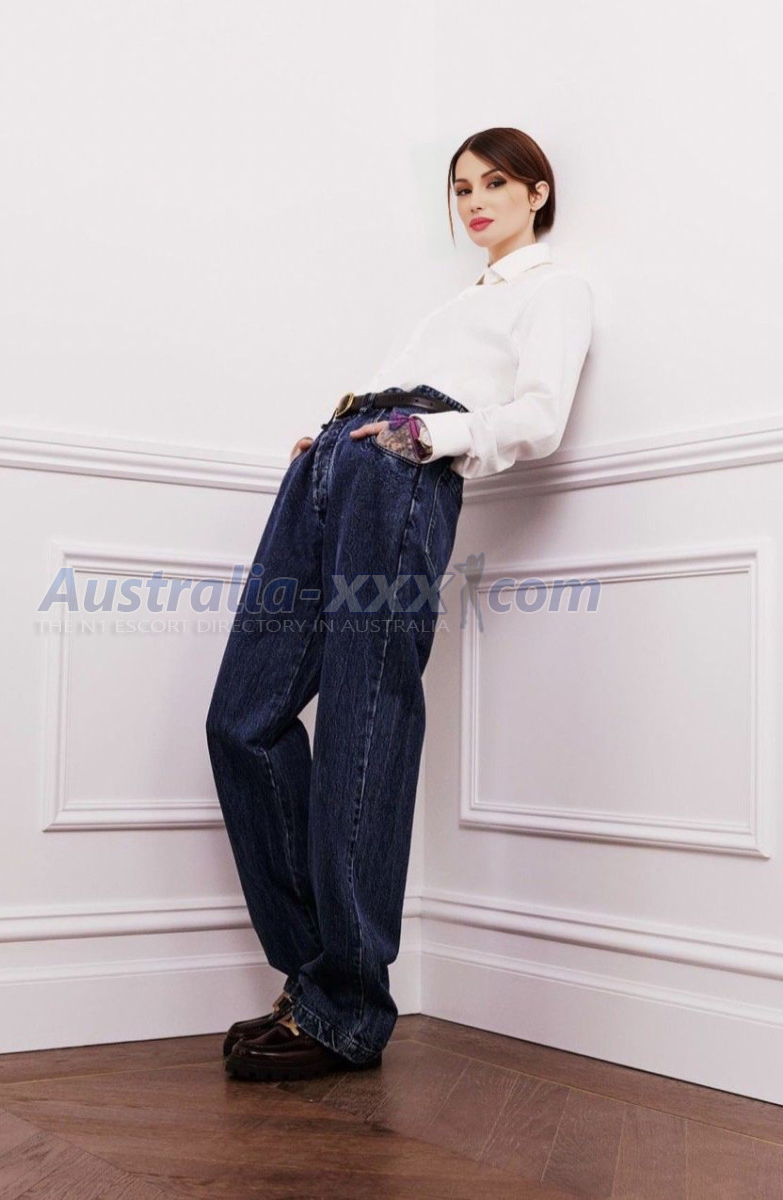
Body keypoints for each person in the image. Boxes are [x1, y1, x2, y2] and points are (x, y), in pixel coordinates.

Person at [205, 127, 594, 1082]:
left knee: (362, 720)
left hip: (401, 476)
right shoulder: (452, 304)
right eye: (460, 188)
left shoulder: (554, 290)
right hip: (335, 464)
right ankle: (317, 980)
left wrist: (428, 437)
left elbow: (539, 416)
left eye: (495, 183)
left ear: (537, 193)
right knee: (242, 719)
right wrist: (332, 443)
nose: (474, 201)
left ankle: (345, 1011)